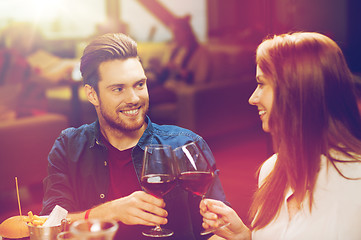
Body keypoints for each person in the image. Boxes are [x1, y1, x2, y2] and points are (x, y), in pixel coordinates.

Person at [40, 33, 227, 240]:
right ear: (92, 94)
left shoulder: (186, 145)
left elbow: (220, 231)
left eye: (139, 85)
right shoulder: (68, 146)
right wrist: (111, 212)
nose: (134, 98)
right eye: (118, 89)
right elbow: (49, 225)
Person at [200, 32, 361, 240]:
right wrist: (245, 236)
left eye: (262, 84)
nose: (252, 98)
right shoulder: (271, 169)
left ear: (295, 91)